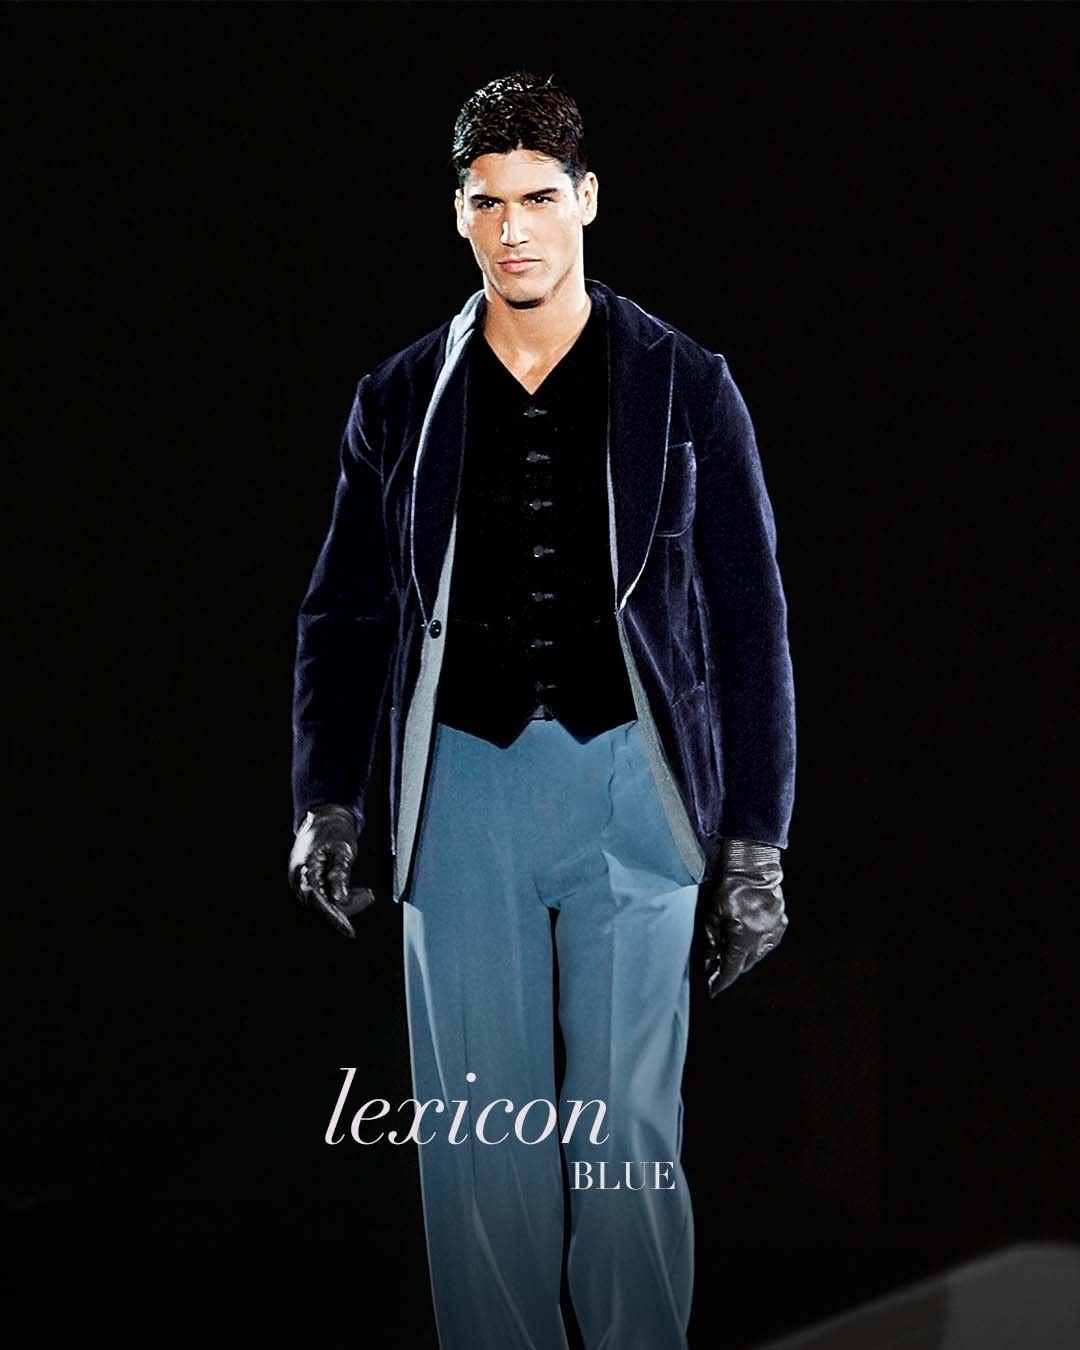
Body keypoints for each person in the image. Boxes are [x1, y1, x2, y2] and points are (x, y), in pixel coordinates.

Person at [289, 71, 795, 1350]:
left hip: (634, 788)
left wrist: (756, 846)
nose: (514, 229)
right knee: (477, 1150)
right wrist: (327, 800)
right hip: (458, 795)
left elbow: (750, 617)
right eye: (488, 203)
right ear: (458, 213)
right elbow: (344, 613)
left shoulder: (684, 380)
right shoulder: (401, 395)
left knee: (628, 1142)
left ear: (588, 200)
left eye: (539, 199)